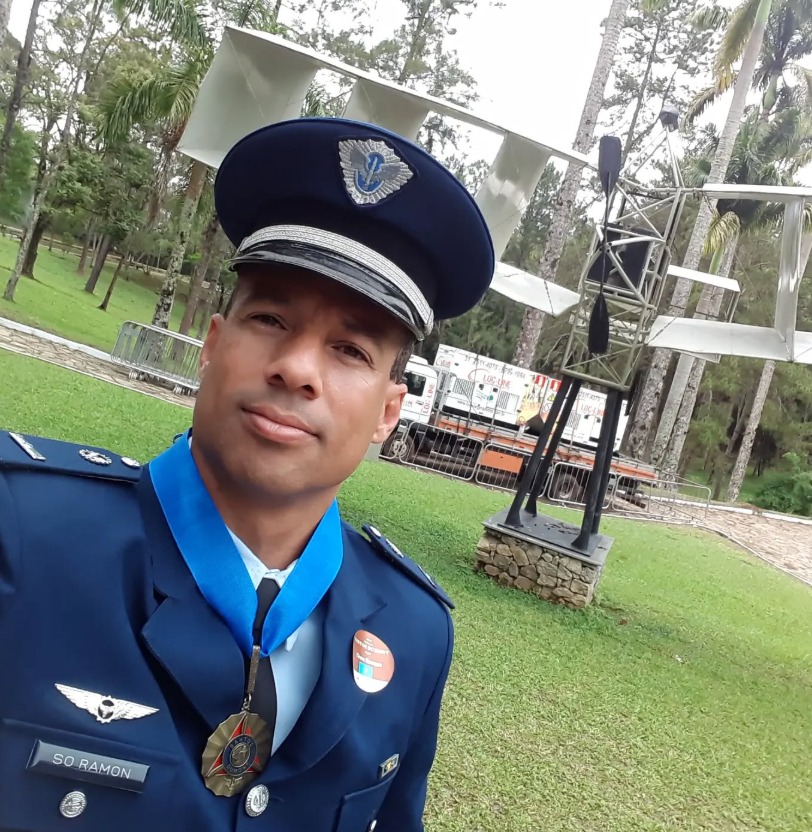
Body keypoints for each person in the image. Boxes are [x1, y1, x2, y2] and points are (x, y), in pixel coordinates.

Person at [0, 117, 494, 831]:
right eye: (270, 319)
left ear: (389, 412)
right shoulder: (23, 534)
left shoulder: (415, 633)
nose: (296, 368)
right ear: (212, 345)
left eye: (350, 350)